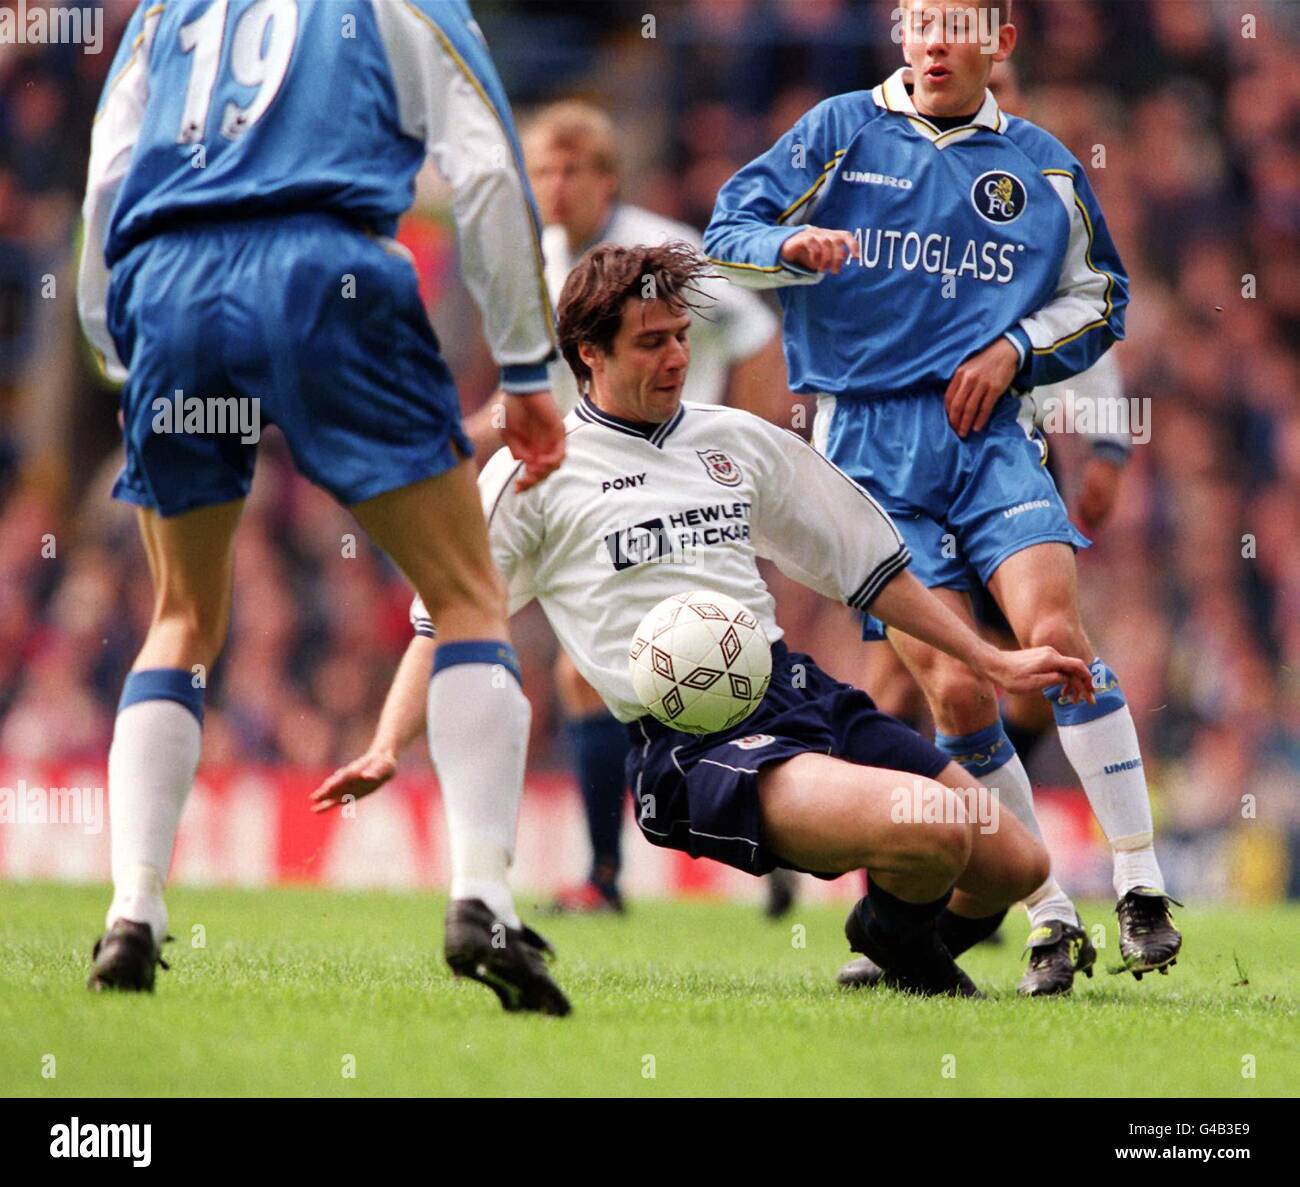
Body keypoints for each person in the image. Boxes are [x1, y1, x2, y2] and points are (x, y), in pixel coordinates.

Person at [313, 242, 1098, 998]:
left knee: (1014, 863)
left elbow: (872, 570)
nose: (677, 358)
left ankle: (893, 939)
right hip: (694, 743)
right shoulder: (534, 473)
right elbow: (445, 621)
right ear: (589, 353)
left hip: (797, 692)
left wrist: (990, 660)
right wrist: (387, 743)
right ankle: (894, 938)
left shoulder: (737, 442)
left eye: (683, 337)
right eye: (651, 343)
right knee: (931, 830)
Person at [77, 0, 569, 1015]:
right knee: (467, 591)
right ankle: (481, 895)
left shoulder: (167, 9)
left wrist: (116, 345)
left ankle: (134, 908)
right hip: (323, 270)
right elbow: (483, 172)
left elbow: (105, 180)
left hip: (169, 284)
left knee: (180, 616)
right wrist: (526, 365)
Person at [703, 0, 1181, 996]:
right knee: (956, 692)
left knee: (1055, 637)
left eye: (953, 24)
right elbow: (723, 234)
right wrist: (787, 251)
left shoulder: (1043, 164)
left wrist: (1013, 347)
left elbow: (1102, 295)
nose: (929, 40)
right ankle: (1048, 911)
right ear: (898, 33)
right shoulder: (837, 131)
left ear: (997, 43)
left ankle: (1139, 880)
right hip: (868, 450)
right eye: (916, 21)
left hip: (990, 438)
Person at [467, 100, 791, 916]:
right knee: (598, 673)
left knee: (631, 669)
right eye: (542, 169)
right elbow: (540, 389)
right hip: (594, 488)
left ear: (608, 178)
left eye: (574, 169)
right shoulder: (542, 262)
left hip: (683, 487)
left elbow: (756, 334)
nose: (556, 185)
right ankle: (646, 863)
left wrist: (741, 456)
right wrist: (461, 432)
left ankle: (635, 866)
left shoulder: (663, 257)